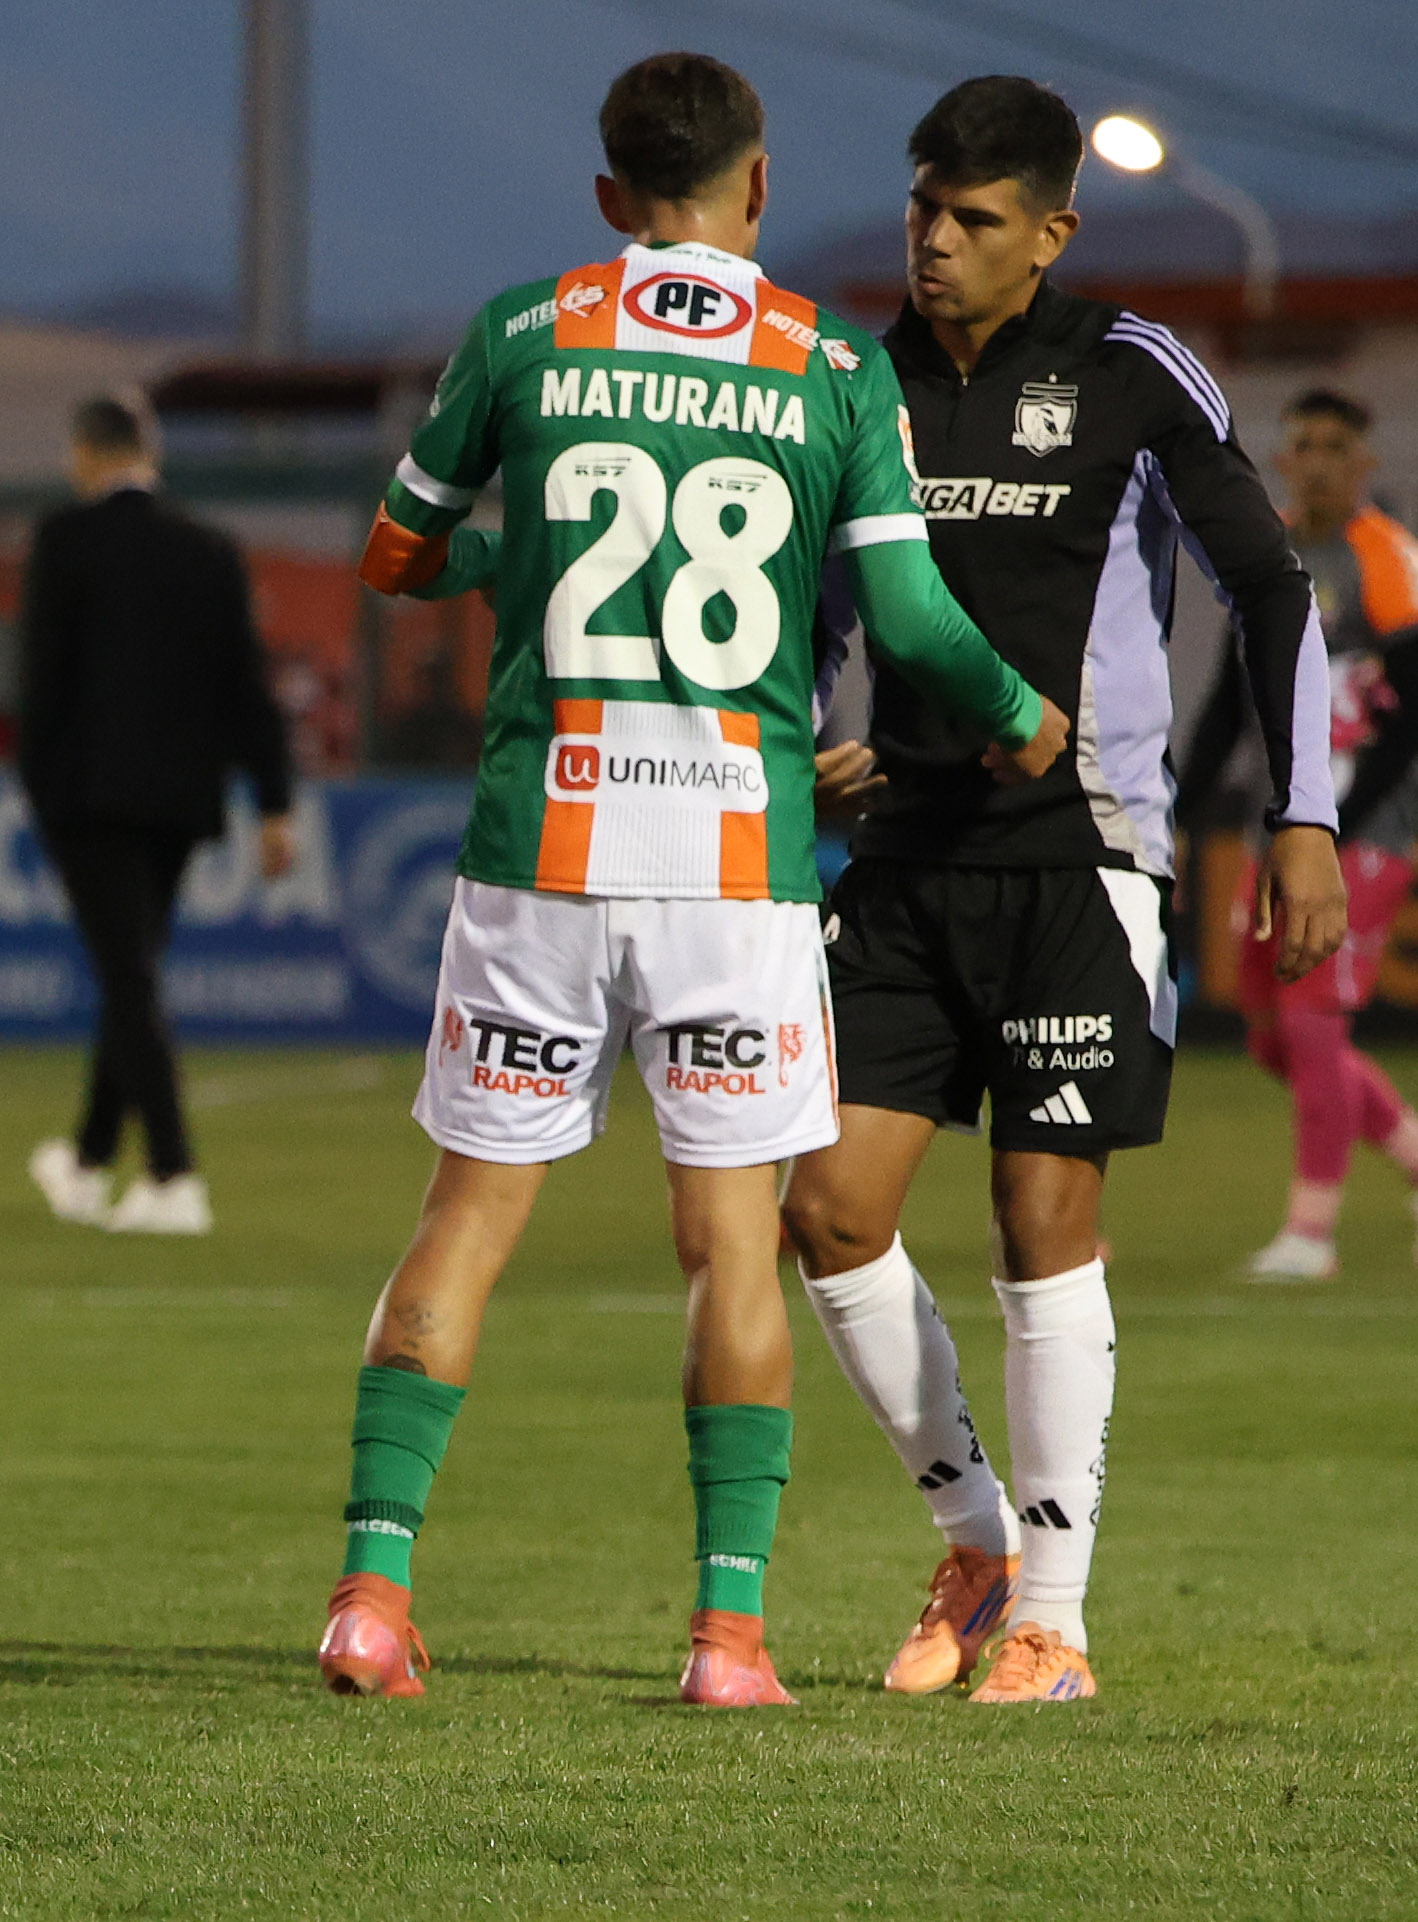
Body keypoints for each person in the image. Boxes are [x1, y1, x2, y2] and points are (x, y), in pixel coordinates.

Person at [316, 52, 1066, 1709]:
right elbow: (922, 628)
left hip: (540, 852)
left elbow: (390, 554)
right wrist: (1021, 715)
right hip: (732, 865)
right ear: (759, 184)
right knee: (731, 1245)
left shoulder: (522, 330)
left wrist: (511, 550)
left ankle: (371, 1597)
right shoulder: (822, 363)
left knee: (464, 1221)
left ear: (606, 197)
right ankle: (726, 1638)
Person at [783, 78, 1344, 1706]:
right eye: (919, 211)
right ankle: (976, 1541)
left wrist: (1299, 815)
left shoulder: (1127, 371)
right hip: (898, 859)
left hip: (1079, 855)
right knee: (822, 1209)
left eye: (970, 220)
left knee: (1041, 1220)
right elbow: (821, 601)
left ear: (1049, 230)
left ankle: (1055, 1620)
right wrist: (829, 725)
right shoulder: (853, 381)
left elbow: (1265, 582)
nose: (934, 244)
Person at [17, 391, 296, 1236]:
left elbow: (42, 687)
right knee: (130, 974)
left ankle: (174, 1174)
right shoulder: (207, 549)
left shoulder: (65, 542)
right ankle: (89, 1160)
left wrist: (45, 796)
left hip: (94, 801)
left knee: (129, 978)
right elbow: (247, 686)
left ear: (88, 454)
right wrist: (274, 801)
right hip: (182, 801)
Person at [1177, 389, 1418, 1279]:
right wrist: (1183, 813)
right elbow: (1225, 702)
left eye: (1334, 447)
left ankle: (1310, 1234)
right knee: (1268, 1032)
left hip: (1364, 829)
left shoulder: (1387, 562)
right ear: (1283, 458)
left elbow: (1410, 719)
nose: (1315, 459)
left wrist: (1341, 829)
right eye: (1303, 443)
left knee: (1313, 1024)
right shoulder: (1265, 552)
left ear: (1362, 466)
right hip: (1280, 831)